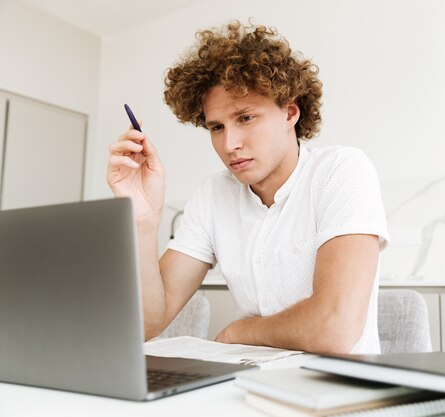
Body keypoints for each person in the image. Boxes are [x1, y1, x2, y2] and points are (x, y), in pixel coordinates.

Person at [107, 21, 388, 354]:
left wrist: (239, 332)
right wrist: (143, 221)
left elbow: (334, 328)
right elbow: (146, 324)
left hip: (338, 392)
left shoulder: (341, 171)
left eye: (245, 118)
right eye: (216, 127)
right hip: (248, 386)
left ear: (290, 113)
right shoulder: (213, 195)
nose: (230, 144)